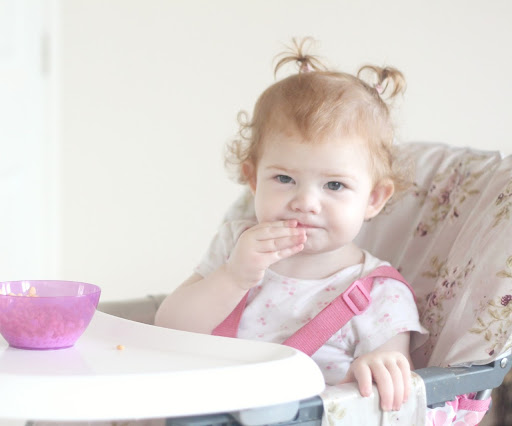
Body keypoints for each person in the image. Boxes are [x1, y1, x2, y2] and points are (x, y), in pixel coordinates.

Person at [154, 38, 428, 412]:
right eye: (284, 179)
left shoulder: (379, 293)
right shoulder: (237, 243)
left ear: (374, 199)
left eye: (334, 185)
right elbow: (170, 326)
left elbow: (392, 391)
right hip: (208, 410)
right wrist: (233, 277)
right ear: (253, 180)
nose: (305, 202)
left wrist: (376, 365)